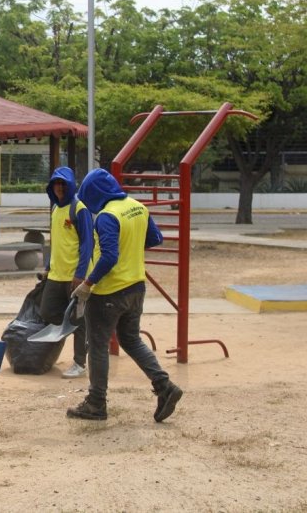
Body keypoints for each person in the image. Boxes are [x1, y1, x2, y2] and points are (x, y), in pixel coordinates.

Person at [67, 168, 183, 422]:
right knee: (131, 340)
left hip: (109, 292)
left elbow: (109, 256)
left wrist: (88, 283)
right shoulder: (138, 207)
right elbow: (155, 238)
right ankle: (164, 386)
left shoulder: (107, 216)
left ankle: (96, 403)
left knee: (97, 345)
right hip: (136, 287)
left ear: (95, 194)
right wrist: (129, 246)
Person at [40, 167, 93, 379]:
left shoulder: (79, 209)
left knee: (79, 321)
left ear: (71, 185)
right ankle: (80, 335)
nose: (59, 188)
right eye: (56, 184)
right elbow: (56, 242)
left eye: (63, 184)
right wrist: (47, 267)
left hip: (74, 277)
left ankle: (79, 363)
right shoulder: (55, 209)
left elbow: (88, 244)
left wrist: (80, 274)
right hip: (55, 275)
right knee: (47, 312)